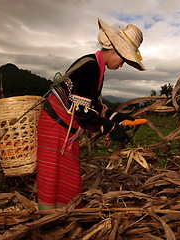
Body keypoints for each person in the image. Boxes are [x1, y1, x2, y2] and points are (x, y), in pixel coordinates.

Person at [36, 18, 145, 210]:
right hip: (56, 128)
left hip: (63, 129)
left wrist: (119, 118)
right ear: (113, 50)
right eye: (124, 59)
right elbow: (83, 112)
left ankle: (61, 216)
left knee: (64, 177)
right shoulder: (91, 66)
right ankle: (49, 220)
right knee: (53, 178)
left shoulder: (96, 65)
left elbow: (94, 105)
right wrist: (112, 129)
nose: (123, 65)